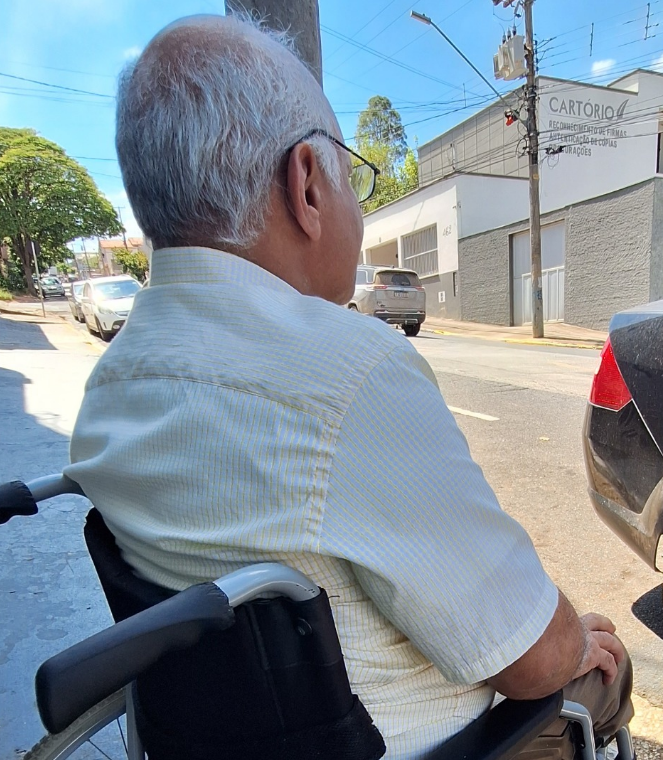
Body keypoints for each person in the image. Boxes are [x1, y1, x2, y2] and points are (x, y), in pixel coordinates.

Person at [65, 13, 632, 759]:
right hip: (432, 745)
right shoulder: (350, 375)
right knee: (607, 666)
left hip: (211, 740)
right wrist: (570, 638)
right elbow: (526, 658)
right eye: (349, 172)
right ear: (305, 182)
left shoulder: (111, 379)